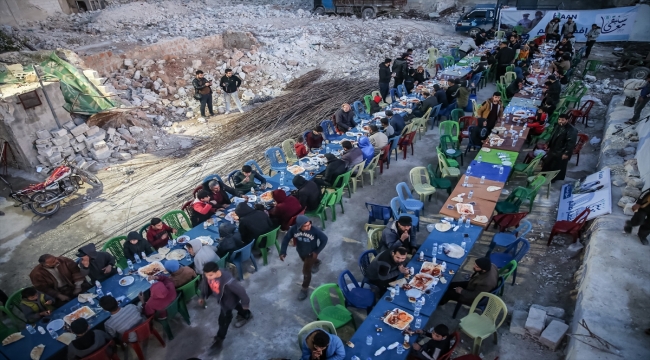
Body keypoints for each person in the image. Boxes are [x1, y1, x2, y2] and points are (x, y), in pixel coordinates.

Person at [198, 262, 252, 351]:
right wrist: (202, 296)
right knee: (236, 306)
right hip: (223, 300)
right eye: (206, 275)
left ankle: (220, 338)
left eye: (210, 275)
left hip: (227, 303)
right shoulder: (209, 276)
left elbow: (242, 292)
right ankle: (246, 314)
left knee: (223, 321)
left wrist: (245, 304)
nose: (208, 278)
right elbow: (205, 284)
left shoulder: (229, 282)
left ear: (217, 271)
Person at [280, 215, 328, 300]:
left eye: (309, 224)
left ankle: (304, 289)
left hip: (311, 254)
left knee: (306, 272)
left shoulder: (314, 230)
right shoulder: (294, 229)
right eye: (305, 226)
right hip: (301, 251)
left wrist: (317, 251)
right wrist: (283, 251)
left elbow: (324, 239)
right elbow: (286, 238)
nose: (308, 227)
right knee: (305, 261)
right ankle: (316, 262)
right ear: (299, 226)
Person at [541, 113, 578, 181]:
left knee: (556, 166)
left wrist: (566, 153)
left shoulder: (571, 130)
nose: (560, 121)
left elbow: (571, 143)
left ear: (567, 120)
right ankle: (544, 176)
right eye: (559, 119)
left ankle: (552, 179)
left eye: (563, 120)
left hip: (561, 151)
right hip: (553, 148)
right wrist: (548, 143)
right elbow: (553, 135)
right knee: (548, 163)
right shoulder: (557, 126)